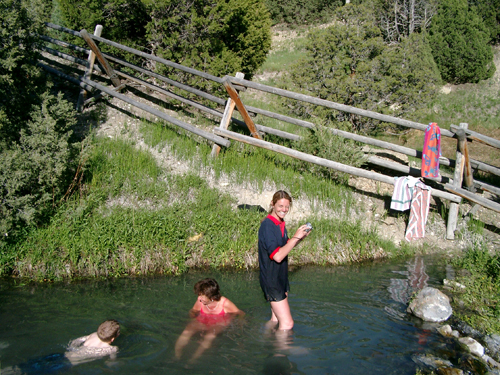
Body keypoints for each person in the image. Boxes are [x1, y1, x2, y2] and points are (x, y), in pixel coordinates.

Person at [258, 190, 311, 332]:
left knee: (276, 319)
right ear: (272, 204)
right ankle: (281, 352)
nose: (284, 210)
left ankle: (264, 340)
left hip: (280, 277)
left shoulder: (280, 223)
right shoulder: (268, 226)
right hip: (272, 279)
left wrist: (300, 237)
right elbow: (277, 256)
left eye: (287, 207)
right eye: (280, 206)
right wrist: (295, 237)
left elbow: (285, 247)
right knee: (287, 324)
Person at [3, 320, 120, 374]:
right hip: (67, 364)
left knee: (32, 364)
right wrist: (110, 367)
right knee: (35, 372)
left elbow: (76, 340)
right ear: (113, 339)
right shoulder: (111, 349)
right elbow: (111, 362)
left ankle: (6, 370)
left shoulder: (93, 335)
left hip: (62, 355)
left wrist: (71, 347)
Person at [175, 278, 244, 363]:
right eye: (199, 295)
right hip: (202, 320)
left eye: (202, 296)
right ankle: (177, 355)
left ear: (211, 297)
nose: (199, 298)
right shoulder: (200, 301)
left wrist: (240, 324)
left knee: (209, 337)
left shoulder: (224, 303)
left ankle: (193, 360)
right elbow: (193, 311)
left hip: (218, 323)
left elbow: (240, 313)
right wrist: (191, 316)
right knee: (187, 331)